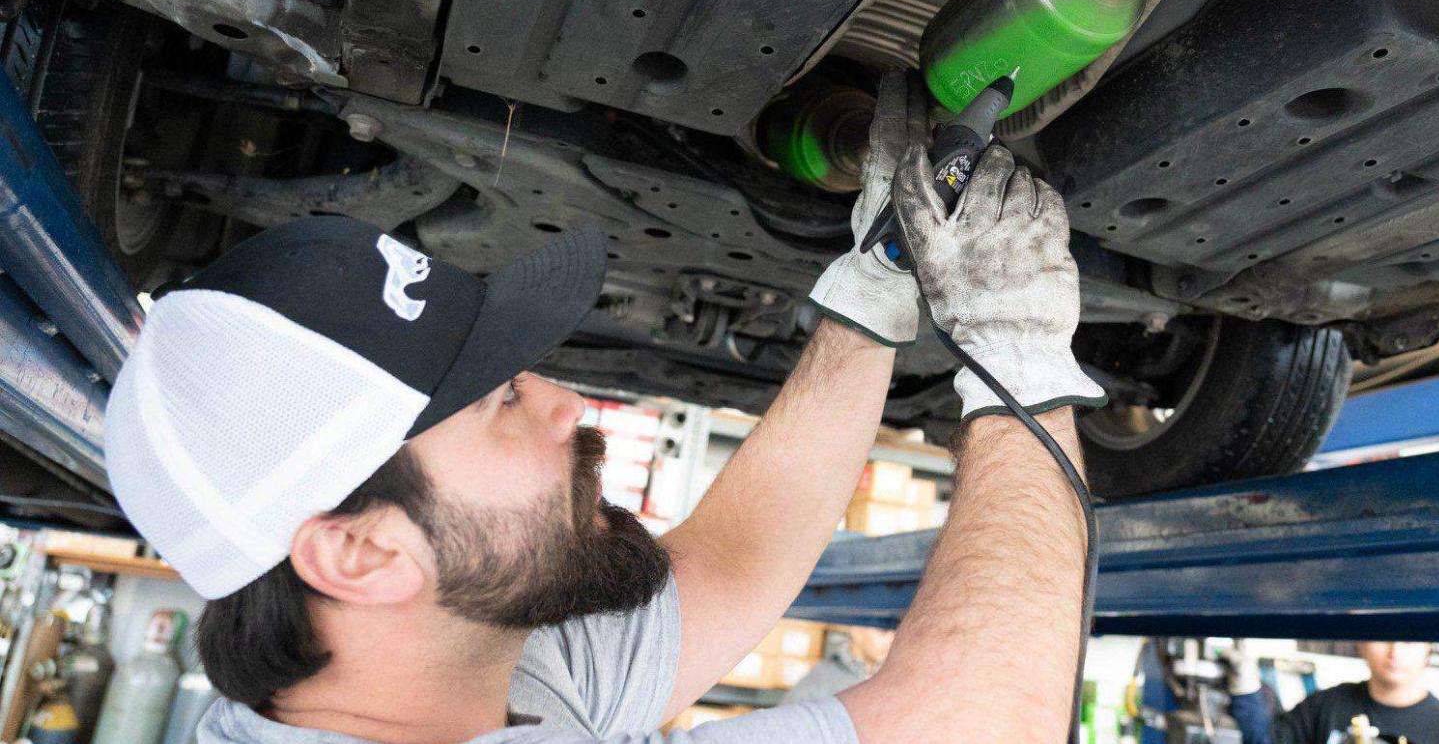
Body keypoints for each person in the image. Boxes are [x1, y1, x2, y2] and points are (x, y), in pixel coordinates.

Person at [102, 71, 1107, 744]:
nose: (562, 404)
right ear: (358, 553)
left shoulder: (462, 671)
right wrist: (1017, 356)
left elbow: (734, 562)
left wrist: (873, 290)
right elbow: (984, 721)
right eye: (499, 400)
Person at [1225, 642, 1439, 744]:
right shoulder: (1325, 706)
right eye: (1384, 637)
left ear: (1428, 648)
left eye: (1409, 639)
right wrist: (1245, 688)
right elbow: (1264, 741)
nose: (1395, 652)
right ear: (1362, 644)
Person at [781, 626, 896, 704]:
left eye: (896, 630)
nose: (893, 638)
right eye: (884, 631)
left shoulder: (894, 677)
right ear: (856, 629)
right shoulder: (818, 685)